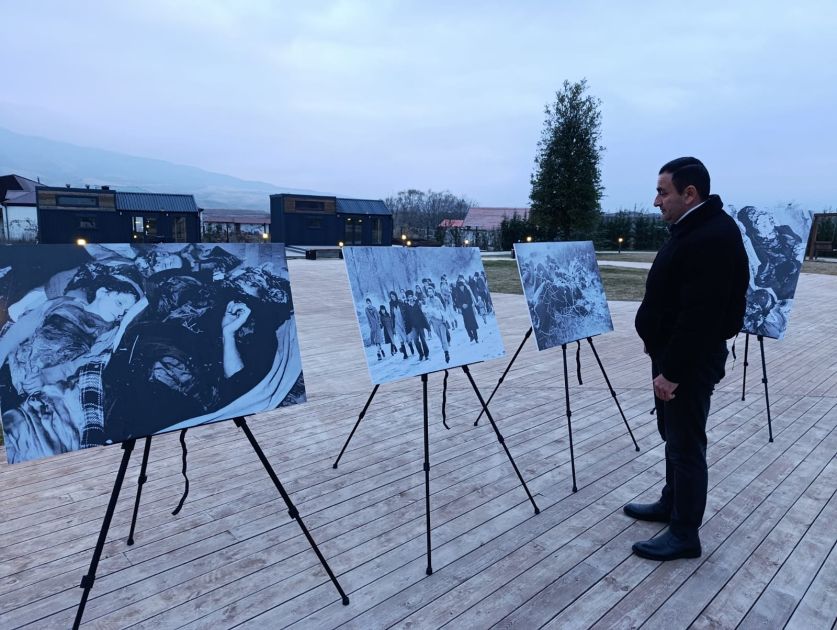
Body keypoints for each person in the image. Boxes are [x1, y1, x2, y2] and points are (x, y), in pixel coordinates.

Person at [628, 157, 749, 561]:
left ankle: (684, 534)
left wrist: (673, 371)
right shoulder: (694, 227)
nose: (656, 201)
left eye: (663, 192)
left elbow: (701, 317)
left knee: (686, 445)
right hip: (673, 357)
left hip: (688, 364)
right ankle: (671, 503)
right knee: (674, 438)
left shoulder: (712, 236)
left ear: (690, 193)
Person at [0, 266, 144, 463]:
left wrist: (47, 377)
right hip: (18, 366)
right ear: (102, 292)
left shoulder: (109, 332)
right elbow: (17, 333)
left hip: (48, 384)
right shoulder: (63, 303)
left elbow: (86, 362)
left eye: (125, 311)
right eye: (119, 303)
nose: (120, 313)